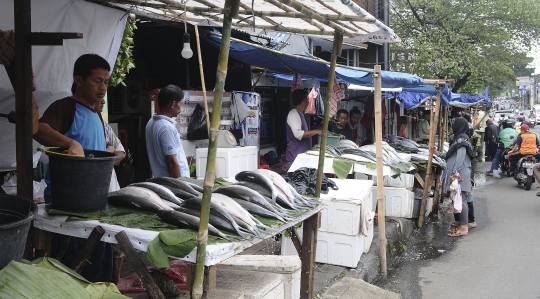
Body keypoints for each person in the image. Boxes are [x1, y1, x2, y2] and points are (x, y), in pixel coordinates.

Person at [33, 53, 113, 282]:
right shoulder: (66, 107)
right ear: (79, 80)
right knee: (72, 279)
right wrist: (70, 143)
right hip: (68, 213)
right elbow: (38, 128)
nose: (103, 87)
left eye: (106, 82)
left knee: (98, 278)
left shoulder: (96, 113)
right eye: (97, 80)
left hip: (96, 207)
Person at [434, 117, 473, 237]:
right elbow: (451, 154)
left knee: (461, 199)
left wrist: (455, 173)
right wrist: (439, 154)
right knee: (457, 198)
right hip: (457, 175)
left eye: (453, 126)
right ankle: (462, 223)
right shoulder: (458, 139)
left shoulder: (462, 139)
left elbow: (460, 157)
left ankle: (463, 227)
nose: (451, 128)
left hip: (459, 175)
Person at [146, 85, 189, 178]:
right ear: (173, 104)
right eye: (180, 104)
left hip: (162, 181)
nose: (181, 108)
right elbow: (171, 162)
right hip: (172, 184)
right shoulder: (166, 127)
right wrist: (180, 186)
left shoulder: (151, 122)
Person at [286, 89, 322, 165]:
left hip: (301, 159)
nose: (309, 102)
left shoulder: (300, 114)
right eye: (308, 100)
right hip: (295, 159)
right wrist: (316, 131)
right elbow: (298, 134)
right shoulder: (293, 114)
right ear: (304, 101)